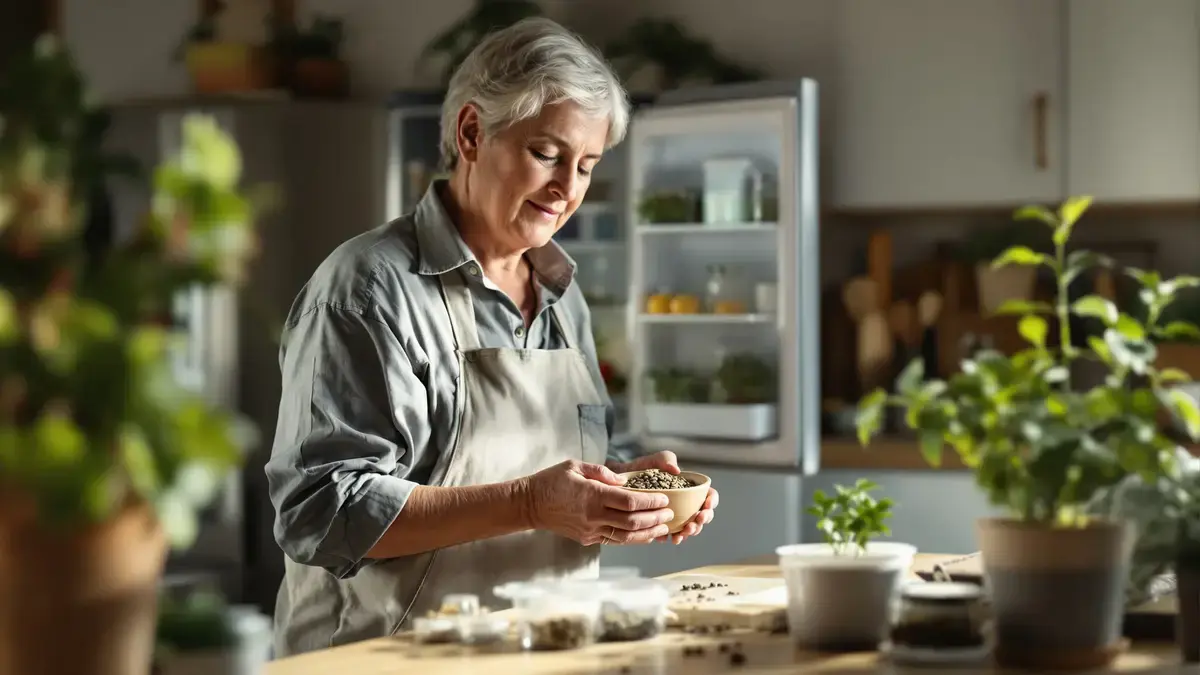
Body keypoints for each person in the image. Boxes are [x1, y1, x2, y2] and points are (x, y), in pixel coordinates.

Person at [264, 17, 719, 658]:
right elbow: (322, 510)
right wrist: (532, 503)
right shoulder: (367, 289)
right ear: (472, 133)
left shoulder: (561, 292)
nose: (567, 190)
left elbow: (556, 473)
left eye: (586, 166)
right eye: (547, 154)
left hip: (540, 654)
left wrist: (618, 494)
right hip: (385, 664)